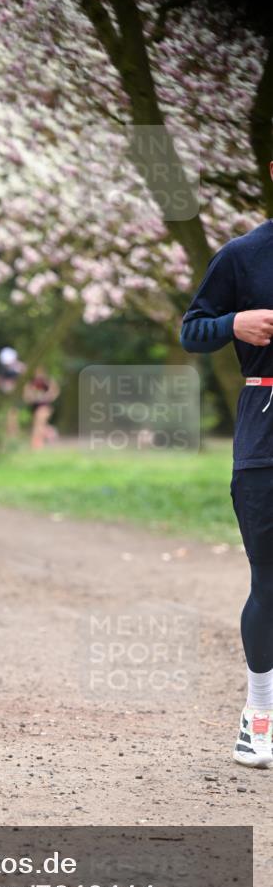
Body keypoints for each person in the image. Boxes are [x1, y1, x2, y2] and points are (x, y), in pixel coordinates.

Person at [181, 169, 273, 768]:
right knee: (269, 579)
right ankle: (260, 714)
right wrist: (232, 325)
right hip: (266, 435)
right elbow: (192, 331)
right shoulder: (242, 257)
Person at [23, 366, 60, 450]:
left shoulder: (48, 382)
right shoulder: (31, 384)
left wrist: (48, 397)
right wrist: (33, 397)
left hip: (45, 406)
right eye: (37, 373)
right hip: (34, 407)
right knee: (39, 425)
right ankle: (51, 433)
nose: (39, 375)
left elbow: (55, 392)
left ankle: (37, 443)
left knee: (39, 423)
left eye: (41, 373)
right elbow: (26, 397)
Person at [0, 346, 26, 438]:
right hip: (6, 395)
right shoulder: (3, 369)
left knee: (13, 414)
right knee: (11, 414)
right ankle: (12, 435)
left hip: (16, 395)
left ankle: (13, 435)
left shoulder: (19, 367)